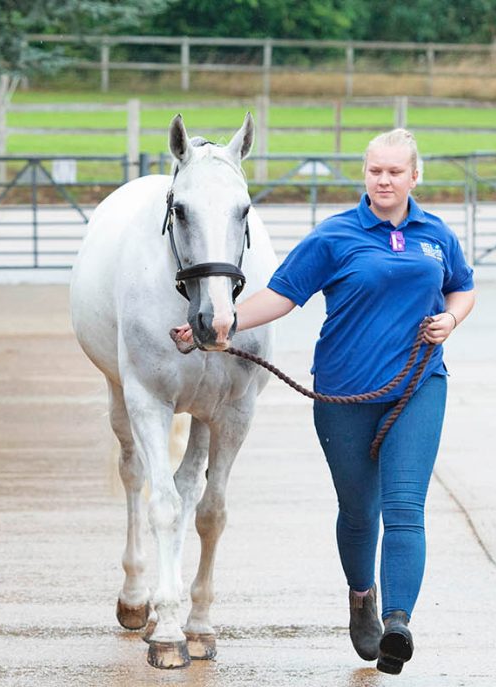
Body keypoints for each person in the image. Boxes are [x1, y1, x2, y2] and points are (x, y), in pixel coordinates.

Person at [173, 128, 475, 675]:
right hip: (343, 392)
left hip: (418, 383)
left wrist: (451, 317)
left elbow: (463, 285)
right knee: (359, 513)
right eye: (375, 170)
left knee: (405, 509)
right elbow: (282, 296)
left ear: (414, 176)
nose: (384, 180)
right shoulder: (335, 237)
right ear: (366, 175)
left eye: (395, 172)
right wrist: (225, 322)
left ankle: (398, 622)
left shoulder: (436, 235)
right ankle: (363, 598)